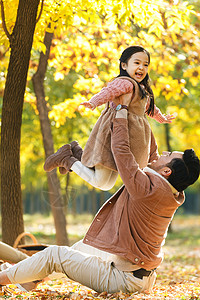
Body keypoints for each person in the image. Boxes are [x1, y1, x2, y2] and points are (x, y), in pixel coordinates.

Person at [0, 97, 199, 294]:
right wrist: (141, 109)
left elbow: (122, 151)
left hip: (124, 279)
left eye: (168, 155)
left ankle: (2, 279)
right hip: (137, 272)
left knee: (55, 255)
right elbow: (150, 151)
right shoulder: (168, 191)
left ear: (167, 172)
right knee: (80, 249)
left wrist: (121, 112)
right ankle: (25, 278)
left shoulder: (149, 189)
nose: (162, 153)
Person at [44, 45, 175, 191]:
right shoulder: (125, 83)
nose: (142, 68)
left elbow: (148, 107)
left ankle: (76, 153)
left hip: (128, 138)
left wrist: (161, 118)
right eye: (137, 63)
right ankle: (66, 159)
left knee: (106, 184)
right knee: (101, 182)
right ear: (124, 65)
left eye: (145, 65)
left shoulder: (141, 89)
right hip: (114, 134)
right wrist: (94, 101)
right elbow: (109, 91)